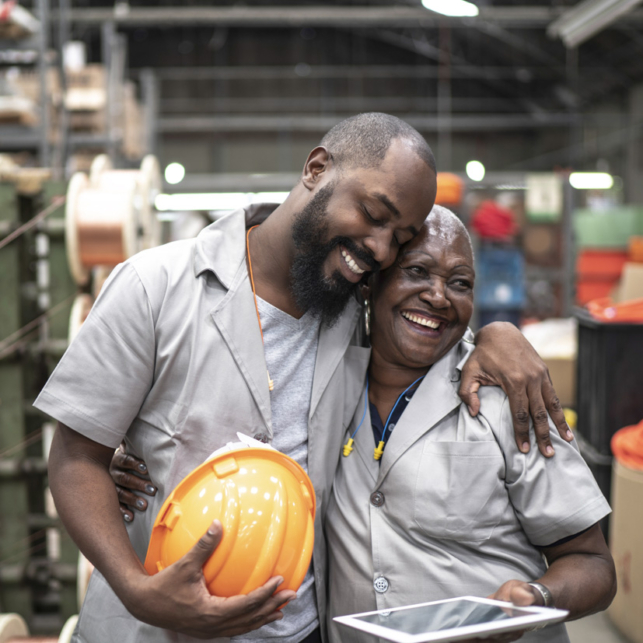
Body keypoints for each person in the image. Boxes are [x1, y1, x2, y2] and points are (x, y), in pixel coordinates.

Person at [39, 113, 571, 643]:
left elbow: (426, 311)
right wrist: (136, 589)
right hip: (151, 627)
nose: (381, 249)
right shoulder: (155, 287)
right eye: (372, 213)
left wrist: (498, 334)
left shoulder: (356, 311)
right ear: (317, 168)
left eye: (399, 236)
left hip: (301, 631)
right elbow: (74, 456)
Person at [325, 206, 615, 642]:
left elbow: (593, 564)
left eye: (460, 283)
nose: (439, 296)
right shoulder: (327, 388)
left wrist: (537, 597)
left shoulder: (509, 397)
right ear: (371, 282)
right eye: (417, 271)